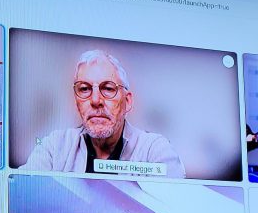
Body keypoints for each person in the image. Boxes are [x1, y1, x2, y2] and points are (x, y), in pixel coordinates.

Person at [20, 50, 185, 177]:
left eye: (108, 88)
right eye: (84, 89)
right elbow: (18, 194)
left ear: (127, 101)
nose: (95, 100)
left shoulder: (155, 150)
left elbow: (174, 205)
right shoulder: (55, 147)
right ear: (77, 102)